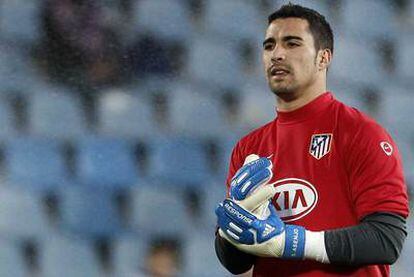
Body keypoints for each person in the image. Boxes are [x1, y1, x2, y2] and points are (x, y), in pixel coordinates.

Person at [214, 4, 409, 277]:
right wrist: (231, 229)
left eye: (292, 43)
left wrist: (290, 243)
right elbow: (236, 263)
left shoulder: (361, 133)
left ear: (323, 58)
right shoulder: (248, 149)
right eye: (269, 46)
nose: (277, 54)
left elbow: (386, 239)